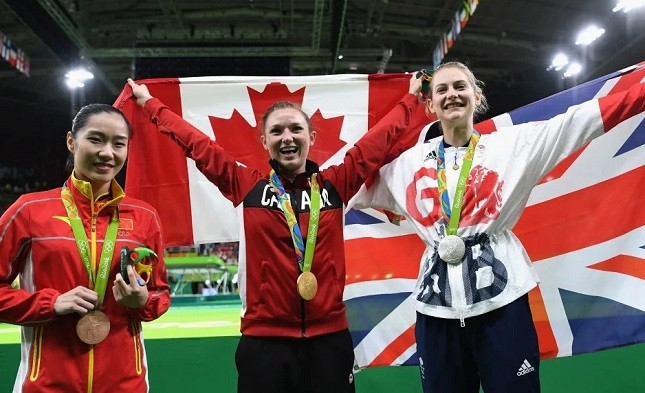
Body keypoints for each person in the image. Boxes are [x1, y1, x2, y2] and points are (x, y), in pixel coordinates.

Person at [355, 41, 645, 393]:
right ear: (429, 104)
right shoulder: (405, 166)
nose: (452, 95)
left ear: (477, 96)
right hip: (435, 310)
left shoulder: (515, 145)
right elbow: (348, 181)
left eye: (461, 87)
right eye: (441, 89)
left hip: (502, 301)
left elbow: (586, 118)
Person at [126, 75, 423, 393]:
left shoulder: (335, 184)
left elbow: (376, 142)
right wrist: (151, 105)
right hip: (264, 342)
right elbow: (199, 146)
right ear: (264, 142)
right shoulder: (247, 185)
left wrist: (410, 99)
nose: (287, 137)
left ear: (311, 136)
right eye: (277, 131)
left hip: (329, 339)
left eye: (295, 129)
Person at [0, 104, 171, 393]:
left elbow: (160, 293)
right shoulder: (28, 210)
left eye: (119, 143)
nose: (108, 152)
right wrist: (50, 304)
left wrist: (141, 302)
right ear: (71, 141)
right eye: (95, 139)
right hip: (47, 384)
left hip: (126, 384)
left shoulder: (145, 216)